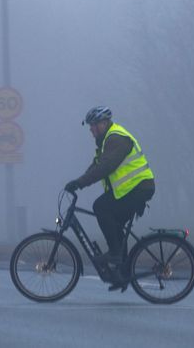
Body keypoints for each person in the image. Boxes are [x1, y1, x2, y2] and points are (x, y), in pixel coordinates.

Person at [64, 106, 155, 267]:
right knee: (115, 225)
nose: (91, 129)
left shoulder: (116, 139)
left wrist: (81, 183)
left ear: (104, 123)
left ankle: (115, 254)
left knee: (101, 207)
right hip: (132, 189)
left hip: (139, 188)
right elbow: (96, 165)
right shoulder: (106, 142)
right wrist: (78, 182)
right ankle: (122, 268)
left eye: (93, 125)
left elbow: (106, 167)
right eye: (90, 125)